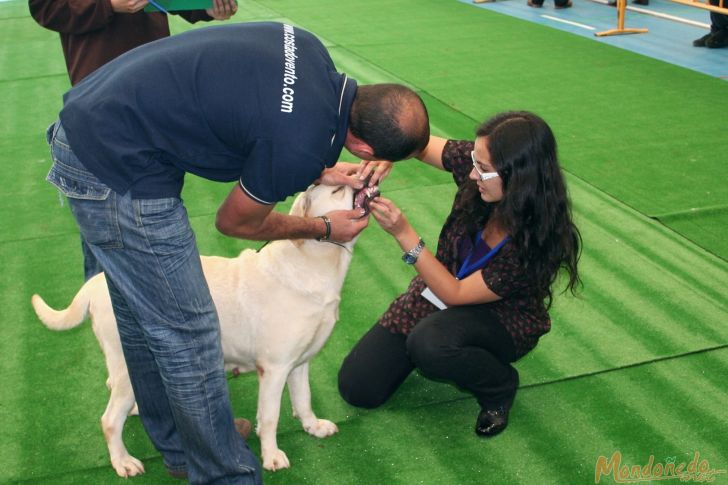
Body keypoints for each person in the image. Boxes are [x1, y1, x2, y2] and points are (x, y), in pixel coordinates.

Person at [44, 21, 429, 483]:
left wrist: (319, 168)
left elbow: (266, 118)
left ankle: (182, 446)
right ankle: (225, 473)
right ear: (364, 145)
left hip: (96, 119)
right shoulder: (296, 142)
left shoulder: (308, 47)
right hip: (112, 163)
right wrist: (323, 227)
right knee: (189, 330)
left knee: (140, 315)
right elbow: (235, 222)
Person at [338, 111, 581, 438]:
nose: (471, 174)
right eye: (472, 161)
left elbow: (456, 294)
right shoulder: (483, 166)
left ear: (518, 175)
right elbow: (419, 144)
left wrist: (404, 234)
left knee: (429, 344)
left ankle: (498, 386)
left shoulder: (537, 239)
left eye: (482, 169)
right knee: (359, 388)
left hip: (499, 318)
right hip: (439, 288)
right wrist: (387, 155)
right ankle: (437, 339)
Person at [29, 0, 238, 282]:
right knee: (106, 233)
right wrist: (107, 6)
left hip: (153, 96)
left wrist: (205, 8)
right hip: (101, 105)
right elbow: (46, 7)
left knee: (156, 212)